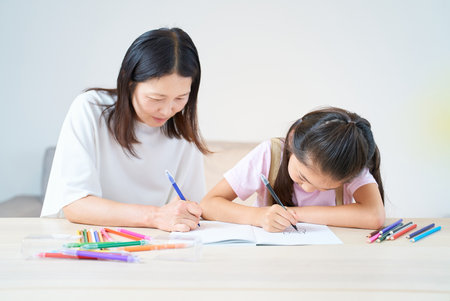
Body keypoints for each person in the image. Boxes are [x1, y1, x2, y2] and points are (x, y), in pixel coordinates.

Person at [41, 28, 209, 232]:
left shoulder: (183, 133)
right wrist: (155, 216)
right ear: (129, 82)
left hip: (151, 246)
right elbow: (75, 205)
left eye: (180, 98)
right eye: (156, 99)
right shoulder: (90, 109)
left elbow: (191, 208)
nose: (167, 110)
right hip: (84, 240)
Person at [200, 107, 385, 232]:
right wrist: (258, 216)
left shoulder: (348, 164)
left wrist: (293, 214)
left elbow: (374, 216)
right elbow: (208, 204)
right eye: (302, 177)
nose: (308, 189)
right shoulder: (269, 153)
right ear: (291, 141)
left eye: (326, 188)